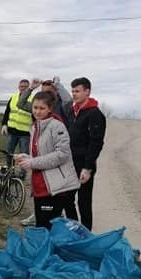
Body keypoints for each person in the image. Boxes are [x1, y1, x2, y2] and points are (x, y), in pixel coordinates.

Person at [15, 91, 79, 229]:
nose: (37, 111)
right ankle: (44, 250)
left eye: (42, 108)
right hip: (39, 186)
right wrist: (26, 158)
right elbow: (41, 154)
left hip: (53, 188)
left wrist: (32, 163)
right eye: (35, 107)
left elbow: (62, 154)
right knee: (40, 226)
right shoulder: (34, 126)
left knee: (48, 228)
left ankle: (51, 250)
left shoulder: (57, 126)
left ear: (50, 108)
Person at [60, 77, 107, 230]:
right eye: (73, 91)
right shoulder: (74, 111)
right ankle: (74, 228)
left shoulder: (94, 114)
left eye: (77, 91)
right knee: (66, 198)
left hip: (84, 165)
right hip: (70, 162)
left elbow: (96, 143)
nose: (74, 94)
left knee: (84, 202)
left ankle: (86, 233)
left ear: (87, 91)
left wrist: (87, 168)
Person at [1, 79, 36, 165]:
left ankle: (22, 174)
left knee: (24, 155)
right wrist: (4, 125)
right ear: (18, 87)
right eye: (21, 86)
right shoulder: (13, 97)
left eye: (25, 87)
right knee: (9, 152)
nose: (23, 88)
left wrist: (34, 129)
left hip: (25, 133)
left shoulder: (33, 99)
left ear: (29, 87)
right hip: (12, 131)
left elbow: (35, 116)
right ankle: (9, 170)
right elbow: (7, 112)